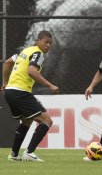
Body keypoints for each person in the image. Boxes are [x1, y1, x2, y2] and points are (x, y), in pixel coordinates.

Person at [1, 30, 59, 162]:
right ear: (38, 41)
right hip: (20, 92)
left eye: (50, 43)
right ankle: (29, 152)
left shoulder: (25, 51)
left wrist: (5, 83)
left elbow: (6, 63)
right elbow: (32, 71)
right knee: (47, 121)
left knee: (27, 121)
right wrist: (50, 85)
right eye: (46, 42)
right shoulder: (38, 53)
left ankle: (14, 155)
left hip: (10, 92)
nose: (48, 45)